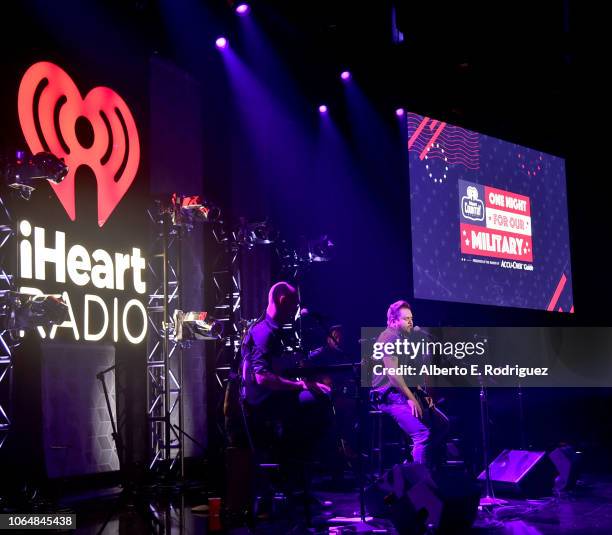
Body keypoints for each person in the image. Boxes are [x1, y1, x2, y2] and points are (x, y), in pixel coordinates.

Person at [240, 282, 331, 457]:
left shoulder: (272, 330)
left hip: (272, 396)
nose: (295, 312)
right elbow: (262, 378)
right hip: (263, 403)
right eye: (294, 305)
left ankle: (304, 461)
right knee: (317, 400)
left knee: (319, 394)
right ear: (282, 301)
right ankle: (299, 461)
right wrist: (301, 385)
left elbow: (276, 367)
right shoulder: (264, 333)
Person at [371, 300, 449, 469]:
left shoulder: (403, 340)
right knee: (422, 434)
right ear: (393, 321)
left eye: (411, 318)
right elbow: (393, 375)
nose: (411, 322)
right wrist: (411, 398)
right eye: (406, 319)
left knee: (443, 424)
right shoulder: (389, 337)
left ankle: (410, 468)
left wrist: (423, 396)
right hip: (388, 396)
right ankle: (420, 481)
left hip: (399, 393)